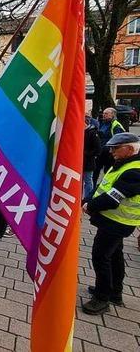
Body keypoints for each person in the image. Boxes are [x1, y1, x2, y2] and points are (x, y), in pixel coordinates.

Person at [82, 133, 140, 315]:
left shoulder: (135, 171)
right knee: (114, 255)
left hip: (117, 222)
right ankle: (115, 291)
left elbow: (113, 197)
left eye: (116, 148)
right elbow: (103, 187)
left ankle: (102, 298)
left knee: (101, 257)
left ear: (130, 149)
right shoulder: (123, 164)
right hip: (114, 221)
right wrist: (88, 198)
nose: (112, 151)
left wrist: (89, 206)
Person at [94, 107, 126, 184]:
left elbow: (119, 140)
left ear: (113, 115)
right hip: (100, 153)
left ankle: (107, 187)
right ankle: (92, 189)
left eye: (106, 113)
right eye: (103, 113)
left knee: (108, 172)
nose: (103, 115)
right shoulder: (102, 123)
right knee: (95, 171)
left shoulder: (116, 125)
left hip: (110, 154)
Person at [84, 117, 101, 199]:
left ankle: (87, 198)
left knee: (88, 180)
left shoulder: (92, 133)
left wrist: (86, 154)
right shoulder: (81, 132)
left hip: (88, 162)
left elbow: (98, 149)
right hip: (80, 162)